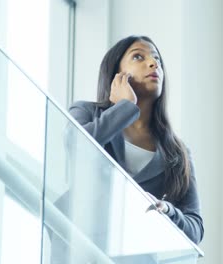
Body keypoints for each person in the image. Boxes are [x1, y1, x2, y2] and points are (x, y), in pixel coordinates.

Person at [68, 35, 204, 244]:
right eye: (138, 57)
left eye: (156, 59)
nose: (153, 63)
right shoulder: (86, 112)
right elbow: (77, 146)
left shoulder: (177, 152)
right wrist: (125, 107)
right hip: (82, 249)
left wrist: (167, 211)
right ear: (116, 75)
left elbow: (195, 229)